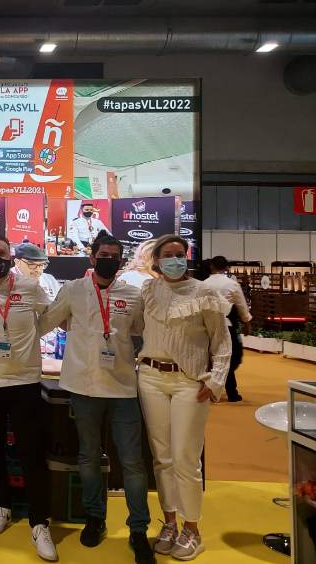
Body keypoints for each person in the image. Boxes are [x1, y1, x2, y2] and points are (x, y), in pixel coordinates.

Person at [38, 234, 154, 563]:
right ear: (92, 258)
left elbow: (143, 332)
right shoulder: (73, 290)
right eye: (104, 255)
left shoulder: (133, 295)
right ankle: (95, 518)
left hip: (123, 389)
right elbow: (45, 323)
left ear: (121, 260)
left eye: (115, 256)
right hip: (84, 388)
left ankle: (138, 530)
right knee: (88, 456)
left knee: (132, 463)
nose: (109, 260)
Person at [138, 235, 231, 560]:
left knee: (185, 457)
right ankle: (170, 522)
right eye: (168, 254)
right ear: (157, 260)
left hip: (189, 381)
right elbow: (134, 326)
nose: (175, 259)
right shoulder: (148, 290)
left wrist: (217, 379)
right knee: (162, 457)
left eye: (180, 253)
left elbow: (221, 340)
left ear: (187, 256)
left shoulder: (204, 292)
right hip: (150, 378)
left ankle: (192, 529)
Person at [0, 234, 57, 561]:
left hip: (23, 382)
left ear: (10, 256)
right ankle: (1, 505)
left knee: (31, 451)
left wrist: (29, 338)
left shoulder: (31, 288)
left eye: (1, 253)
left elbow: (50, 316)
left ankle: (39, 521)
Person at [203, 256, 252, 403]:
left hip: (206, 327)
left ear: (211, 266)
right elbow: (242, 306)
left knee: (209, 358)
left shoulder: (203, 284)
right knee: (230, 358)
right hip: (226, 326)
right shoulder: (232, 284)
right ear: (226, 268)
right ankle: (231, 392)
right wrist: (247, 323)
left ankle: (210, 390)